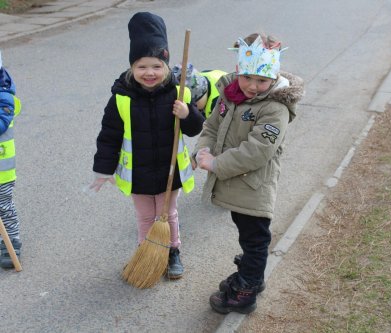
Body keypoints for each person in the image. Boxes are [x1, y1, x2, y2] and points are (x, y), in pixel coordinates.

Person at [193, 33, 304, 313]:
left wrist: (217, 165)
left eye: (262, 81)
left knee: (255, 239)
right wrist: (202, 151)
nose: (253, 86)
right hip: (234, 183)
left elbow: (258, 150)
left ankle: (246, 290)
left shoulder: (275, 107)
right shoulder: (229, 95)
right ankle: (250, 276)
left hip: (254, 186)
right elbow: (211, 127)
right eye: (247, 78)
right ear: (239, 71)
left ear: (273, 77)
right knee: (247, 234)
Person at [90, 12, 204, 279]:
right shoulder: (121, 98)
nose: (149, 73)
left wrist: (187, 114)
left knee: (168, 215)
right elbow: (109, 136)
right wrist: (103, 170)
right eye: (142, 67)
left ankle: (173, 251)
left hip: (169, 170)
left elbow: (195, 128)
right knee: (144, 216)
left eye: (156, 66)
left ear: (166, 66)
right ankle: (146, 252)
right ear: (132, 68)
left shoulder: (180, 93)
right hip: (138, 172)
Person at [0, 50, 23, 269]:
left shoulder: (4, 95)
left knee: (3, 206)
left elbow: (3, 121)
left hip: (2, 170)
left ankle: (10, 242)